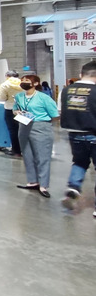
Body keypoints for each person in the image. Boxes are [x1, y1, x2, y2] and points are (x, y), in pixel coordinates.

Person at [59, 61, 96, 217]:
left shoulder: (66, 90)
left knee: (80, 162)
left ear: (81, 74)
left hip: (74, 134)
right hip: (94, 133)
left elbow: (60, 110)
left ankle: (73, 187)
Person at [13, 74, 58, 198]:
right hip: (23, 125)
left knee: (42, 157)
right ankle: (32, 181)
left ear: (36, 83)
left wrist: (43, 122)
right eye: (22, 80)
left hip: (40, 126)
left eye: (27, 80)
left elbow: (54, 115)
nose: (24, 82)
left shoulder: (44, 98)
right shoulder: (19, 96)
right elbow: (14, 109)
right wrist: (17, 112)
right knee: (27, 155)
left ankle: (43, 185)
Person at [0, 70, 23, 157]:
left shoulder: (5, 84)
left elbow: (1, 97)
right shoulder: (23, 83)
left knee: (13, 130)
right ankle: (24, 150)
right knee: (23, 130)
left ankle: (16, 150)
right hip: (23, 109)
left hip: (10, 109)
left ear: (7, 76)